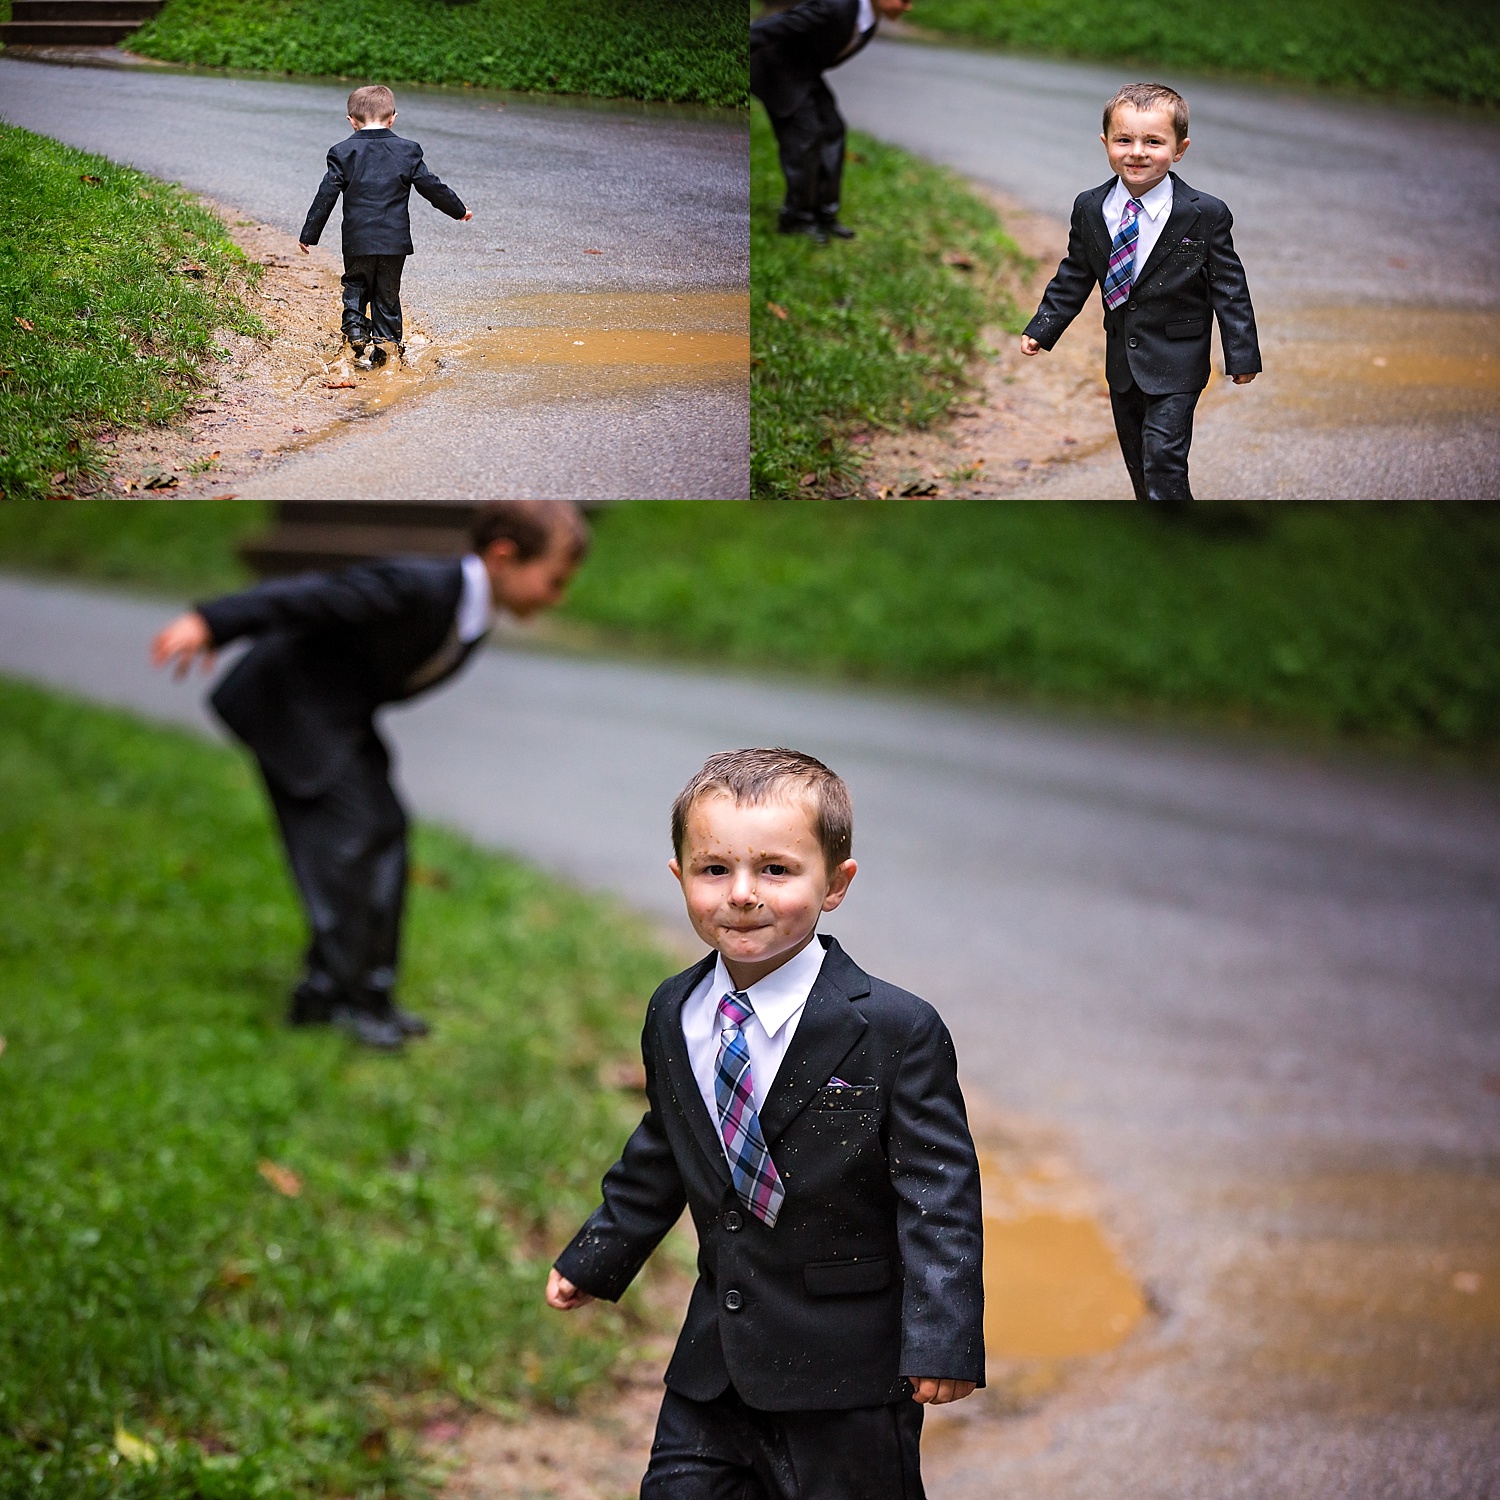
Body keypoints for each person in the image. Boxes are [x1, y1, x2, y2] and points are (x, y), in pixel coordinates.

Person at [547, 747, 984, 1499]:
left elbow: (938, 1195)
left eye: (776, 871)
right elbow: (665, 1145)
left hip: (848, 1377)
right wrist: (599, 1253)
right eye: (715, 869)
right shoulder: (673, 1012)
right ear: (680, 876)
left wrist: (943, 1335)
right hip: (715, 1364)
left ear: (836, 884)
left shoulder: (894, 1028)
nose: (743, 894)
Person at [149, 502, 589, 1051]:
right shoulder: (417, 586)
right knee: (349, 844)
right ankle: (332, 999)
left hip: (338, 714)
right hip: (291, 708)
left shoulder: (472, 610)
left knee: (387, 831)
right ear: (504, 557)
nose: (556, 597)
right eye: (553, 581)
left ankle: (369, 994)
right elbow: (308, 596)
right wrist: (212, 622)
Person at [1020, 82, 1261, 506]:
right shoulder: (1091, 207)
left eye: (1153, 141)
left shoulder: (1203, 213)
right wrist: (1044, 325)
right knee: (1137, 459)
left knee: (1163, 456)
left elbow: (1230, 288)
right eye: (1124, 140)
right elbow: (1075, 273)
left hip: (1179, 359)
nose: (1137, 152)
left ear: (1180, 148)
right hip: (1122, 362)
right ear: (1106, 143)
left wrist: (1241, 355)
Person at [297, 83, 473, 370]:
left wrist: (309, 234)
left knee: (355, 283)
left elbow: (326, 194)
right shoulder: (408, 151)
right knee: (387, 294)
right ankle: (386, 353)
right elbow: (431, 186)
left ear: (351, 121)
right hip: (394, 242)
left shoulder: (342, 152)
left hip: (357, 240)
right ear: (393, 118)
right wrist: (458, 210)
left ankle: (355, 329)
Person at [750, 0, 911, 243]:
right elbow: (778, 25)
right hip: (776, 68)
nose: (907, 7)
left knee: (833, 130)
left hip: (804, 72)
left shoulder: (868, 19)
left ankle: (824, 213)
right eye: (904, 0)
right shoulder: (837, 5)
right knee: (806, 137)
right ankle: (797, 220)